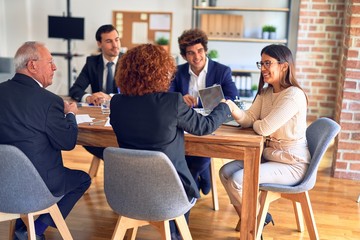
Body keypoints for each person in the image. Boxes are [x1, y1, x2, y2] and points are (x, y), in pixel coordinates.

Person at [109, 44, 234, 240]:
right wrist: (223, 107)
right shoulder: (172, 102)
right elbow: (204, 127)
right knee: (186, 179)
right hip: (171, 192)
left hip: (129, 190)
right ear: (159, 72)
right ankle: (176, 235)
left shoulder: (116, 103)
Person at [0, 41, 91, 240]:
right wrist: (70, 115)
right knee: (83, 179)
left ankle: (24, 224)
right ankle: (33, 229)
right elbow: (67, 143)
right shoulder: (50, 101)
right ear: (32, 65)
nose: (55, 67)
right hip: (39, 186)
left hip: (3, 185)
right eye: (50, 62)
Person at [219, 44, 310, 230]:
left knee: (238, 179)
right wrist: (233, 109)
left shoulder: (293, 95)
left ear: (284, 66)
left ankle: (254, 223)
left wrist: (257, 123)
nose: (262, 68)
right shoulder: (266, 92)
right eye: (261, 63)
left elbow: (264, 128)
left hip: (292, 163)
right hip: (269, 155)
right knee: (225, 172)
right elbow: (250, 118)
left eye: (267, 63)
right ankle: (257, 218)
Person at [169, 28, 238, 195]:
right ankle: (203, 175)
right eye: (191, 53)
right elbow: (167, 95)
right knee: (181, 151)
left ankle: (189, 187)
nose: (197, 56)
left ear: (205, 50)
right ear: (185, 56)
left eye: (200, 51)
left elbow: (232, 97)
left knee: (201, 152)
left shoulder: (222, 71)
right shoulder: (177, 72)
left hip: (212, 123)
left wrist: (202, 101)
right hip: (186, 123)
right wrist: (180, 98)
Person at [69, 24, 122, 160]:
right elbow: (75, 89)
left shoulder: (129, 62)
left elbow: (135, 94)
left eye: (117, 39)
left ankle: (113, 160)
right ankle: (112, 159)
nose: (115, 45)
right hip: (99, 117)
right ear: (99, 44)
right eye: (109, 41)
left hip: (122, 115)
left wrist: (110, 97)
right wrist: (89, 98)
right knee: (86, 138)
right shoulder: (92, 62)